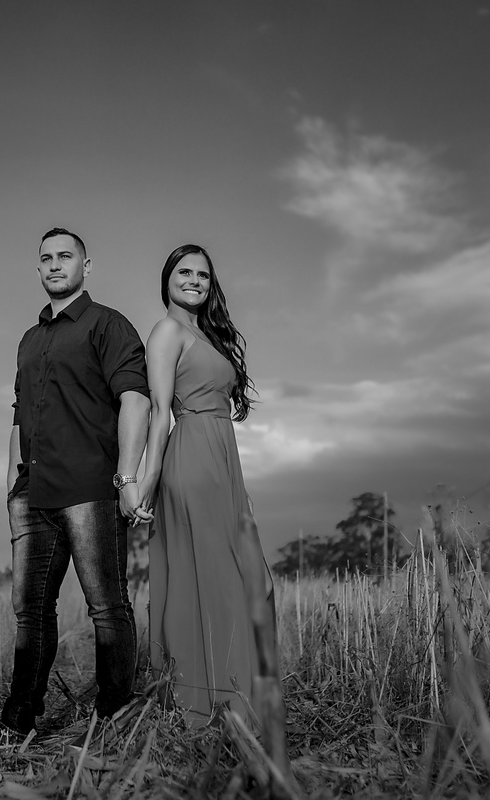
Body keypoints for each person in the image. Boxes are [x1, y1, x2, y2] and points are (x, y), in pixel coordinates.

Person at [0, 227, 150, 744]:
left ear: (86, 265)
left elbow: (136, 401)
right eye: (46, 258)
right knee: (30, 612)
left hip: (89, 487)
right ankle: (19, 720)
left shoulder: (107, 324)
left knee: (106, 606)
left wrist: (126, 479)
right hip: (33, 495)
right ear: (38, 269)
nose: (55, 265)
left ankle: (114, 717)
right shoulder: (30, 340)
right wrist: (12, 486)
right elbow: (18, 417)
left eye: (66, 257)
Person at [134, 243, 278, 723]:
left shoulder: (207, 334)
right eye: (184, 272)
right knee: (213, 576)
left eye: (202, 274)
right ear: (167, 279)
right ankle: (203, 699)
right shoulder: (167, 331)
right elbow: (159, 413)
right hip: (193, 458)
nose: (194, 280)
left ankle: (236, 691)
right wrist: (143, 484)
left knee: (247, 575)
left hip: (224, 459)